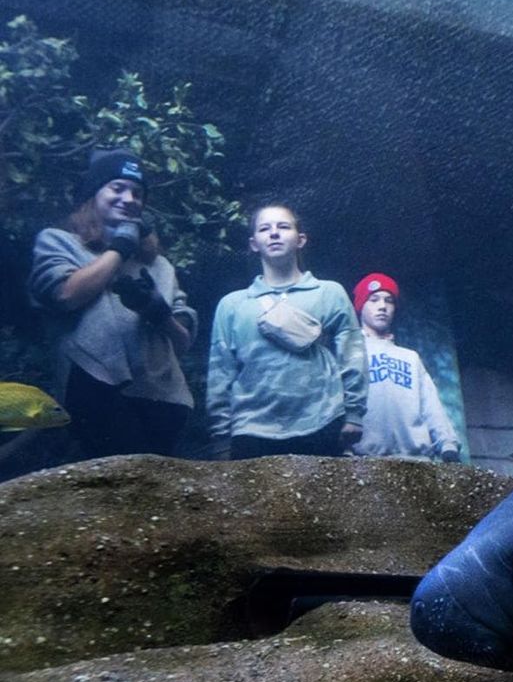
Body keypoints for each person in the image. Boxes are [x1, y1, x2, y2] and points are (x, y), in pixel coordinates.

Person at [27, 148, 196, 457]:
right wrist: (121, 247)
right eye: (117, 188)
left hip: (164, 399)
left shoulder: (160, 266)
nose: (129, 198)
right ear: (93, 194)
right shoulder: (58, 241)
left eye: (137, 192)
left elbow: (182, 344)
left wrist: (158, 312)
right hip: (95, 390)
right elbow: (65, 295)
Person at [206, 200, 367, 459]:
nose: (274, 233)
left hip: (322, 420)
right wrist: (221, 435)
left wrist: (354, 414)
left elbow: (352, 354)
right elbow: (221, 371)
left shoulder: (330, 293)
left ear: (300, 239)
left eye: (283, 226)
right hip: (251, 428)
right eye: (264, 229)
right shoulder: (232, 305)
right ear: (253, 243)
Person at [352, 272, 462, 462]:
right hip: (364, 460)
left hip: (415, 460)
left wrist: (447, 443)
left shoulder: (410, 358)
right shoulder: (350, 354)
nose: (382, 306)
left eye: (389, 301)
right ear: (361, 306)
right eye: (374, 299)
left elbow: (430, 404)